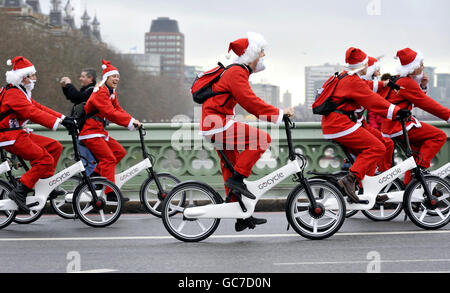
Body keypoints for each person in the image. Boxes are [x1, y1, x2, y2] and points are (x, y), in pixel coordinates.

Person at [199, 32, 294, 232]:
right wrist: (279, 113)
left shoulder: (238, 71)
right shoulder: (236, 72)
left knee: (231, 166)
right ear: (251, 55)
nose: (263, 55)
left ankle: (241, 214)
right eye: (261, 52)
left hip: (215, 123)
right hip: (217, 123)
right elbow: (250, 102)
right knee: (261, 139)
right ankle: (237, 179)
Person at [318, 47, 410, 203]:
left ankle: (368, 189)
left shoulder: (344, 76)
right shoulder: (353, 81)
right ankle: (350, 179)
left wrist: (385, 83)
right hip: (340, 124)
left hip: (334, 124)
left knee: (371, 150)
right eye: (367, 63)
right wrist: (396, 111)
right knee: (378, 147)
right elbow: (372, 100)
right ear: (362, 65)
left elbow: (368, 86)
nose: (368, 66)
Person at [1, 56, 76, 212]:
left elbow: (39, 107)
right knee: (45, 159)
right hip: (9, 136)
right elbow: (32, 113)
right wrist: (59, 123)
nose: (35, 78)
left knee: (54, 147)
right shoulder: (13, 94)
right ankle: (20, 192)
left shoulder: (21, 92)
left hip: (17, 133)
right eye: (33, 75)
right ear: (24, 77)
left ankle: (44, 183)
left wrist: (64, 118)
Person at [381, 48, 450, 185]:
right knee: (439, 136)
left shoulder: (399, 80)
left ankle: (410, 187)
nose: (423, 66)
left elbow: (415, 100)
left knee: (415, 156)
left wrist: (423, 86)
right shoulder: (406, 83)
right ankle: (419, 173)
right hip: (400, 126)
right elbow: (427, 104)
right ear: (413, 68)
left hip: (391, 126)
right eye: (421, 64)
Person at [79, 60, 141, 202]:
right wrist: (130, 123)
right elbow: (110, 113)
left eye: (118, 77)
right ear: (106, 78)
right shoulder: (100, 92)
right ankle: (110, 192)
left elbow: (118, 110)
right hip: (90, 132)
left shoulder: (111, 92)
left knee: (119, 152)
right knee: (108, 159)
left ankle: (96, 176)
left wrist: (132, 120)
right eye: (113, 77)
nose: (116, 79)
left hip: (99, 131)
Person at [60, 69, 97, 175]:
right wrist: (65, 87)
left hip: (86, 133)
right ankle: (87, 187)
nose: (80, 78)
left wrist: (69, 84)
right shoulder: (87, 90)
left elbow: (77, 97)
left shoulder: (92, 91)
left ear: (90, 78)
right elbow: (73, 98)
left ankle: (89, 187)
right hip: (83, 132)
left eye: (83, 76)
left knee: (88, 162)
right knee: (86, 161)